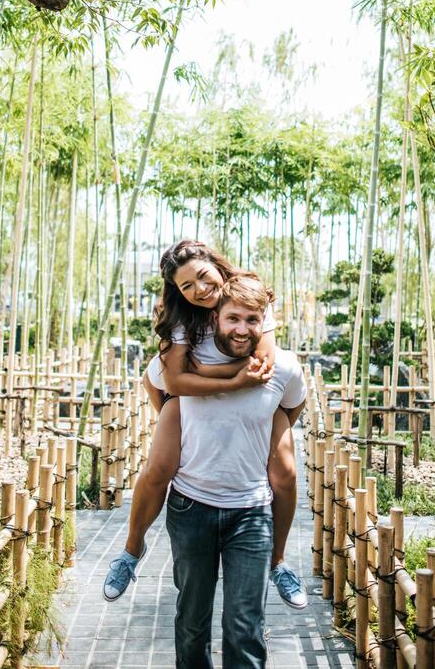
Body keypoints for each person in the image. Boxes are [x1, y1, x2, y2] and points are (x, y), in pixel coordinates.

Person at [103, 240, 306, 610]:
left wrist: (225, 381)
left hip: (253, 393)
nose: (199, 289)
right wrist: (231, 380)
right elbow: (173, 381)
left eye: (202, 276)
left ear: (216, 264)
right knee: (159, 468)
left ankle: (278, 561)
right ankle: (132, 550)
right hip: (184, 394)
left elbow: (262, 362)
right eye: (187, 286)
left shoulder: (249, 293)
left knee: (286, 473)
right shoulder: (180, 312)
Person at [166, 273, 307, 668]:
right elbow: (157, 385)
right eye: (233, 319)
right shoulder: (190, 360)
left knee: (245, 625)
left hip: (252, 512)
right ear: (215, 318)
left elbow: (294, 405)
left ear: (265, 321)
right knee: (192, 622)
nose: (242, 329)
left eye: (252, 320)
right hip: (190, 507)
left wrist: (269, 427)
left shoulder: (284, 368)